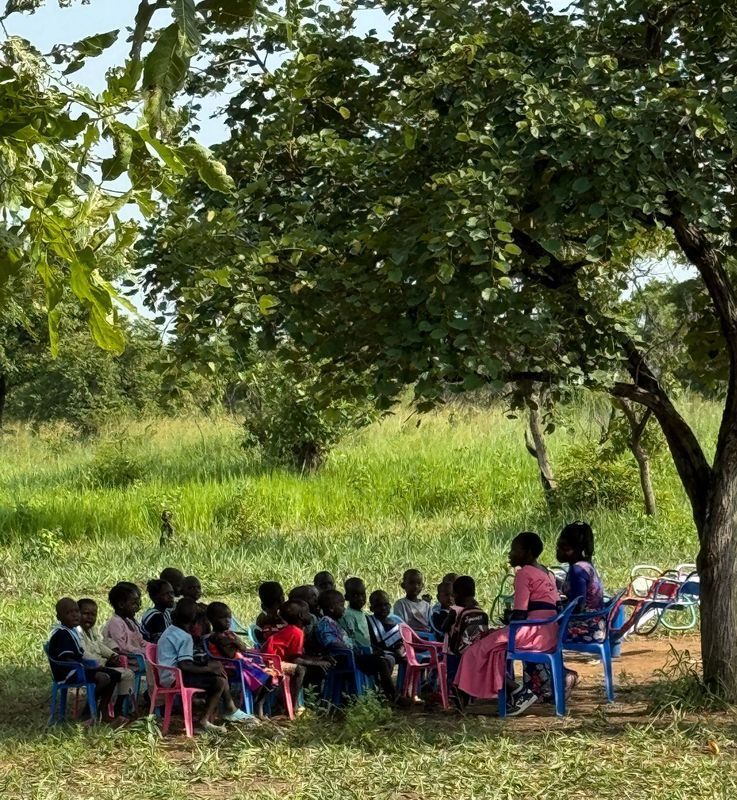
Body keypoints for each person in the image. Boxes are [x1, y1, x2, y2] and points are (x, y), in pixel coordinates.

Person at [454, 532, 560, 716]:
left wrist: (507, 622)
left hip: (530, 632)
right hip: (549, 633)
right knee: (494, 651)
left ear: (527, 553)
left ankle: (517, 692)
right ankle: (516, 692)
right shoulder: (548, 573)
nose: (509, 554)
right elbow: (556, 604)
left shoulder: (523, 573)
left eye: (514, 550)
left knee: (474, 651)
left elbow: (520, 613)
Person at [157, 598, 256, 733]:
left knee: (217, 669)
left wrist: (211, 667)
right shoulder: (184, 637)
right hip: (175, 677)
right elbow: (185, 665)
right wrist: (208, 668)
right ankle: (208, 719)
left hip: (167, 675)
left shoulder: (171, 630)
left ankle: (228, 708)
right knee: (218, 680)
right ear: (194, 622)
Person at [48, 598, 123, 725]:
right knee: (103, 678)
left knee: (115, 674)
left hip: (79, 668)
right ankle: (87, 713)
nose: (75, 615)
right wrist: (87, 666)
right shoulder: (61, 634)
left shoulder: (73, 632)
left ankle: (103, 710)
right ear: (59, 617)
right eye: (69, 612)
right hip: (68, 672)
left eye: (76, 611)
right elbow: (67, 658)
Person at [316, 590, 397, 701]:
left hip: (350, 656)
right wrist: (352, 650)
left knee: (379, 659)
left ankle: (379, 693)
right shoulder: (325, 622)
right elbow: (331, 643)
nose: (344, 609)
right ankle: (393, 696)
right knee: (380, 663)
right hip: (342, 659)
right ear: (331, 608)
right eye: (341, 605)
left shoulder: (334, 622)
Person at [206, 601, 276, 719]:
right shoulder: (216, 637)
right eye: (223, 618)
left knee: (269, 675)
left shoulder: (229, 634)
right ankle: (254, 707)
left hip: (240, 663)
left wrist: (235, 642)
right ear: (212, 619)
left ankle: (258, 704)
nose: (228, 621)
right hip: (228, 667)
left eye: (229, 617)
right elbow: (229, 654)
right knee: (262, 675)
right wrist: (235, 643)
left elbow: (243, 647)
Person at [263, 601, 333, 711]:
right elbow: (295, 659)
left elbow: (297, 655)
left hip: (276, 661)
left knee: (311, 669)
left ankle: (300, 704)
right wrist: (318, 662)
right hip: (271, 663)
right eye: (308, 612)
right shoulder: (296, 632)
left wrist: (319, 659)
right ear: (301, 616)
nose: (310, 615)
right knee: (300, 670)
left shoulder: (294, 630)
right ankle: (291, 707)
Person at [77, 598, 135, 707]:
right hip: (88, 667)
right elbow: (84, 654)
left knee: (128, 674)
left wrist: (112, 655)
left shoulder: (91, 630)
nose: (90, 617)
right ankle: (94, 708)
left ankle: (119, 707)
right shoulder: (77, 632)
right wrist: (106, 661)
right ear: (77, 613)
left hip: (99, 665)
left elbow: (100, 645)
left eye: (93, 614)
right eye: (85, 613)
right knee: (110, 676)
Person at [557, 521, 605, 642]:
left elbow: (578, 606)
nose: (559, 552)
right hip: (596, 625)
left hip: (587, 628)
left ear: (578, 550)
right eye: (559, 547)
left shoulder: (577, 570)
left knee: (539, 627)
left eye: (565, 548)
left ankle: (539, 660)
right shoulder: (586, 566)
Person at [445, 576, 489, 655]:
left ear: (455, 594)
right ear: (474, 592)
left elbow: (444, 627)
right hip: (475, 653)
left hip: (455, 653)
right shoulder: (479, 610)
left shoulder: (455, 610)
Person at [102, 583, 147, 658]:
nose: (137, 606)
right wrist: (141, 651)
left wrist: (152, 647)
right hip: (128, 662)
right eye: (133, 603)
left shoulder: (130, 622)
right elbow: (122, 648)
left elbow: (141, 641)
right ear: (121, 605)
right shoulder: (115, 623)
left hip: (139, 658)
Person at [366, 590, 405, 662]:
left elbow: (401, 640)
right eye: (378, 605)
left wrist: (400, 648)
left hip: (396, 652)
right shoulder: (369, 621)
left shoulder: (395, 622)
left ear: (390, 606)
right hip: (379, 654)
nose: (383, 608)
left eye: (386, 604)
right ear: (371, 608)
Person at [340, 577, 370, 649]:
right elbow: (351, 638)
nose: (360, 598)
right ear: (347, 597)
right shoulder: (349, 615)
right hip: (359, 652)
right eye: (355, 595)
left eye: (362, 594)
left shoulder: (361, 613)